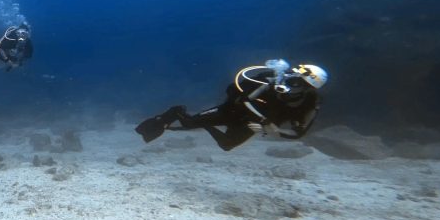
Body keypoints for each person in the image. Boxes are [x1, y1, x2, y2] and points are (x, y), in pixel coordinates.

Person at [135, 60, 328, 151]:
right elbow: (243, 100)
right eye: (293, 78)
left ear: (309, 89)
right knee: (188, 123)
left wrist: (273, 130)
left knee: (226, 145)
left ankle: (200, 124)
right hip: (233, 110)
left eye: (298, 83)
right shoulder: (270, 80)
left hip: (253, 123)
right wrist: (264, 121)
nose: (291, 84)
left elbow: (299, 132)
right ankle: (177, 112)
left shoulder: (311, 102)